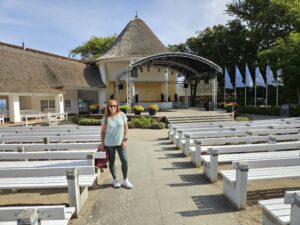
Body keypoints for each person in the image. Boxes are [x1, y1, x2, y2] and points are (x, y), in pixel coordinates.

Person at [100, 99, 133, 189]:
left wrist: (125, 140)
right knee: (112, 162)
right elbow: (102, 132)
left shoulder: (122, 115)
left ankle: (125, 180)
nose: (113, 107)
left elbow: (126, 129)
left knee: (125, 160)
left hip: (121, 142)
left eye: (114, 105)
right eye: (111, 106)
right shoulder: (105, 117)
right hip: (109, 143)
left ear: (117, 106)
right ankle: (115, 179)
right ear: (108, 107)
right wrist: (102, 144)